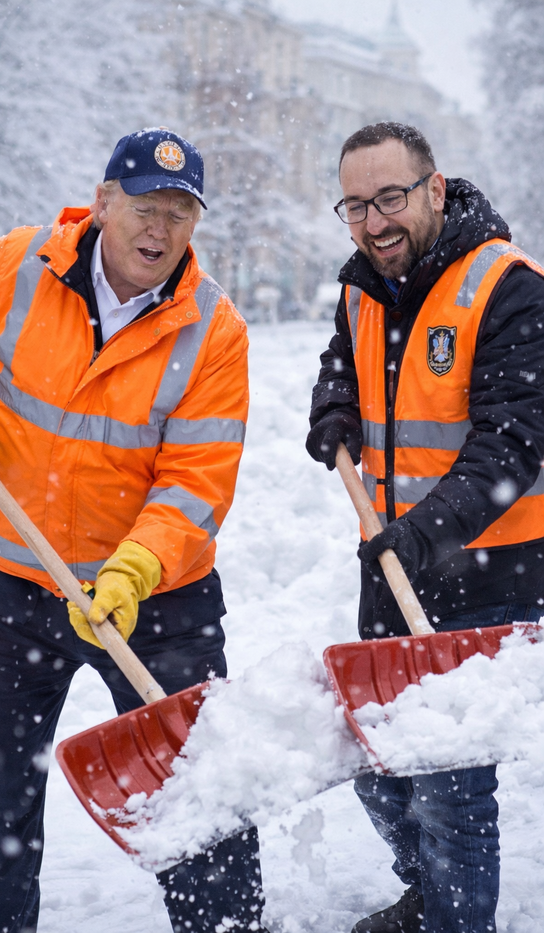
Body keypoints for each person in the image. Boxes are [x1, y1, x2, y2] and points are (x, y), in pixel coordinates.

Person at [0, 128, 266, 933]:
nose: (161, 229)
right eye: (146, 205)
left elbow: (196, 479)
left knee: (199, 791)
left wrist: (135, 569)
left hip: (156, 602)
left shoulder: (212, 330)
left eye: (181, 213)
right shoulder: (18, 266)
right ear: (104, 201)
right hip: (11, 583)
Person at [306, 121, 544, 933]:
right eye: (355, 205)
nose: (375, 222)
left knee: (449, 784)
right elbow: (346, 355)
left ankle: (453, 919)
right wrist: (335, 401)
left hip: (491, 572)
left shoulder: (510, 287)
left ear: (436, 189)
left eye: (392, 198)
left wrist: (423, 532)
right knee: (378, 763)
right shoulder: (362, 284)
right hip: (393, 562)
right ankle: (430, 895)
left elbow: (511, 445)